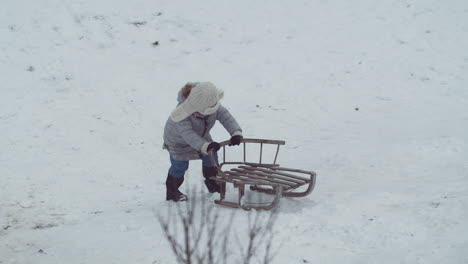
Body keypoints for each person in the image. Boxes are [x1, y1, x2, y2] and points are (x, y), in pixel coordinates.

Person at [163, 82, 243, 201]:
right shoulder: (182, 114)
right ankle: (172, 191)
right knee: (180, 166)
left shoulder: (210, 102)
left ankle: (212, 182)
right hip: (178, 142)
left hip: (201, 136)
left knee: (211, 157)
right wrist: (205, 145)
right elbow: (188, 135)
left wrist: (236, 132)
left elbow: (225, 117)